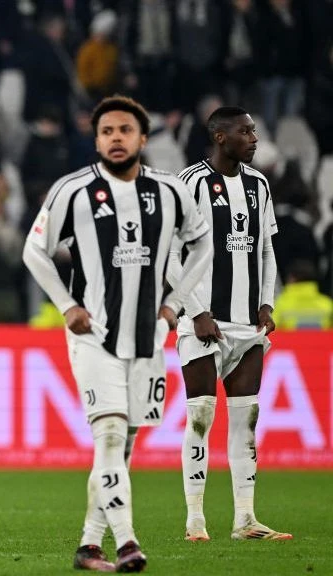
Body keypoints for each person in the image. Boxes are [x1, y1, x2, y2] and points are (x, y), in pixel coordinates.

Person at [23, 95, 213, 572]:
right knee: (108, 435)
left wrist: (173, 305)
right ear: (97, 139)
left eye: (125, 130)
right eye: (106, 131)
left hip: (148, 340)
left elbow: (204, 243)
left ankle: (89, 546)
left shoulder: (169, 192)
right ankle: (128, 543)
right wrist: (67, 307)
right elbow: (34, 250)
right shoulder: (73, 190)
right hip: (94, 336)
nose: (115, 138)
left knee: (122, 446)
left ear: (143, 138)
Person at [172, 106, 291, 541]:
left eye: (254, 131)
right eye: (246, 131)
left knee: (247, 419)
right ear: (221, 137)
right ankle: (195, 520)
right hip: (202, 323)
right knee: (201, 415)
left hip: (247, 326)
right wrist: (196, 310)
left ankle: (245, 519)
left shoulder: (259, 185)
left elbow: (266, 250)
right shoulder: (191, 183)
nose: (255, 138)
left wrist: (266, 303)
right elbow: (171, 254)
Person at [272, 259, 333, 330]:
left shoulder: (280, 303)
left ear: (292, 279)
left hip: (290, 341)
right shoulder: (328, 304)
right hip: (321, 341)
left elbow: (272, 332)